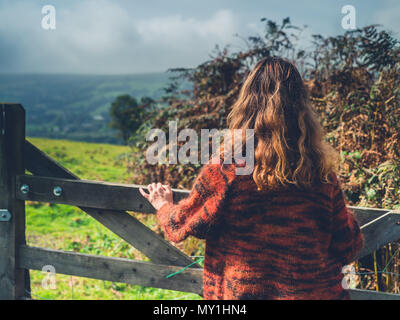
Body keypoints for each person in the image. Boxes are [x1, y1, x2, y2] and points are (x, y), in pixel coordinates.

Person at [139, 57, 364, 300]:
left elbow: (186, 222)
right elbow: (347, 244)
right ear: (301, 109)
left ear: (247, 104)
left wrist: (162, 205)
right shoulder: (321, 174)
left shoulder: (229, 169)